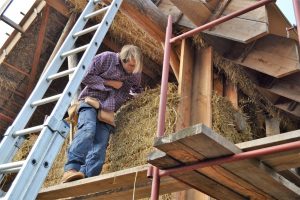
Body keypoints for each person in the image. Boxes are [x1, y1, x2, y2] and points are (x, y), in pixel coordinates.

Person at [61, 45, 143, 183]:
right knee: (88, 130)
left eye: (136, 67)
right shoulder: (106, 58)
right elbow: (85, 75)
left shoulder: (135, 72)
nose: (133, 70)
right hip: (90, 101)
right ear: (123, 59)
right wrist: (109, 83)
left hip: (108, 110)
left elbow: (136, 90)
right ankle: (71, 169)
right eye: (131, 65)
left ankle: (86, 179)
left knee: (99, 147)